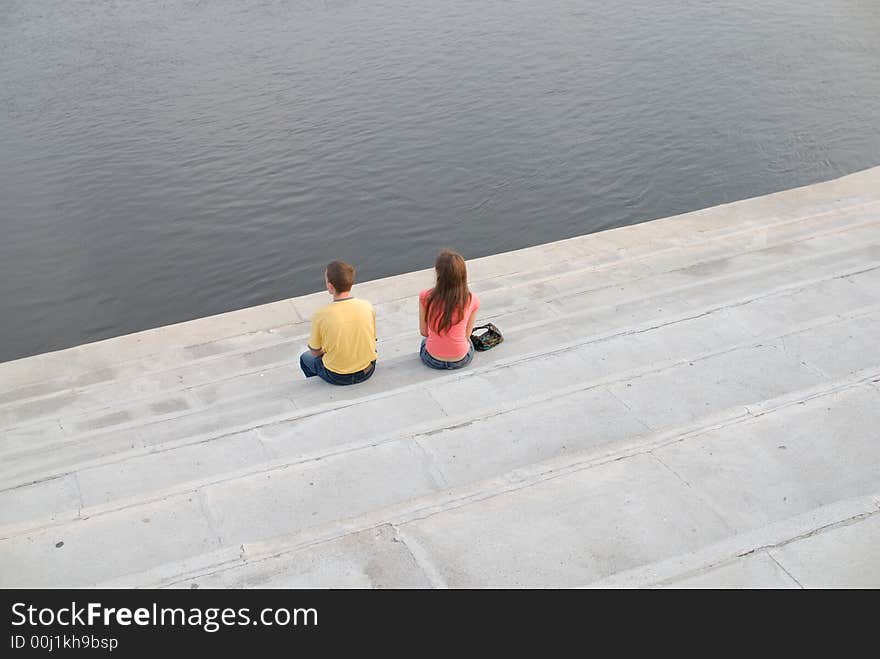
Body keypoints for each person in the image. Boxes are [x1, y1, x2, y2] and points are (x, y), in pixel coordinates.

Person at [300, 260, 377, 385]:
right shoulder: (367, 306)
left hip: (337, 376)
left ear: (330, 287)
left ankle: (317, 385)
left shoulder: (321, 314)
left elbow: (315, 351)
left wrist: (323, 351)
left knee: (305, 358)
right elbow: (373, 338)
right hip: (367, 370)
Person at [419, 250, 480, 370]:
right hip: (461, 359)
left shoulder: (425, 297)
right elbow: (467, 336)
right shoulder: (472, 299)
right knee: (468, 343)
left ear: (438, 273)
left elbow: (424, 332)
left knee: (424, 342)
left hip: (432, 359)